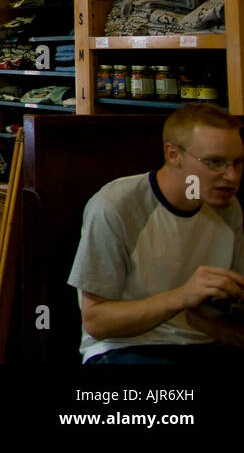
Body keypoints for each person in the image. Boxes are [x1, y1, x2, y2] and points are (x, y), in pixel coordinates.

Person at [68, 103, 244, 363]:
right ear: (173, 154)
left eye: (238, 163)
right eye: (215, 162)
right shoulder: (117, 205)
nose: (230, 176)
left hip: (204, 343)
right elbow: (96, 321)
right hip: (126, 348)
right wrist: (182, 296)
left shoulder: (228, 207)